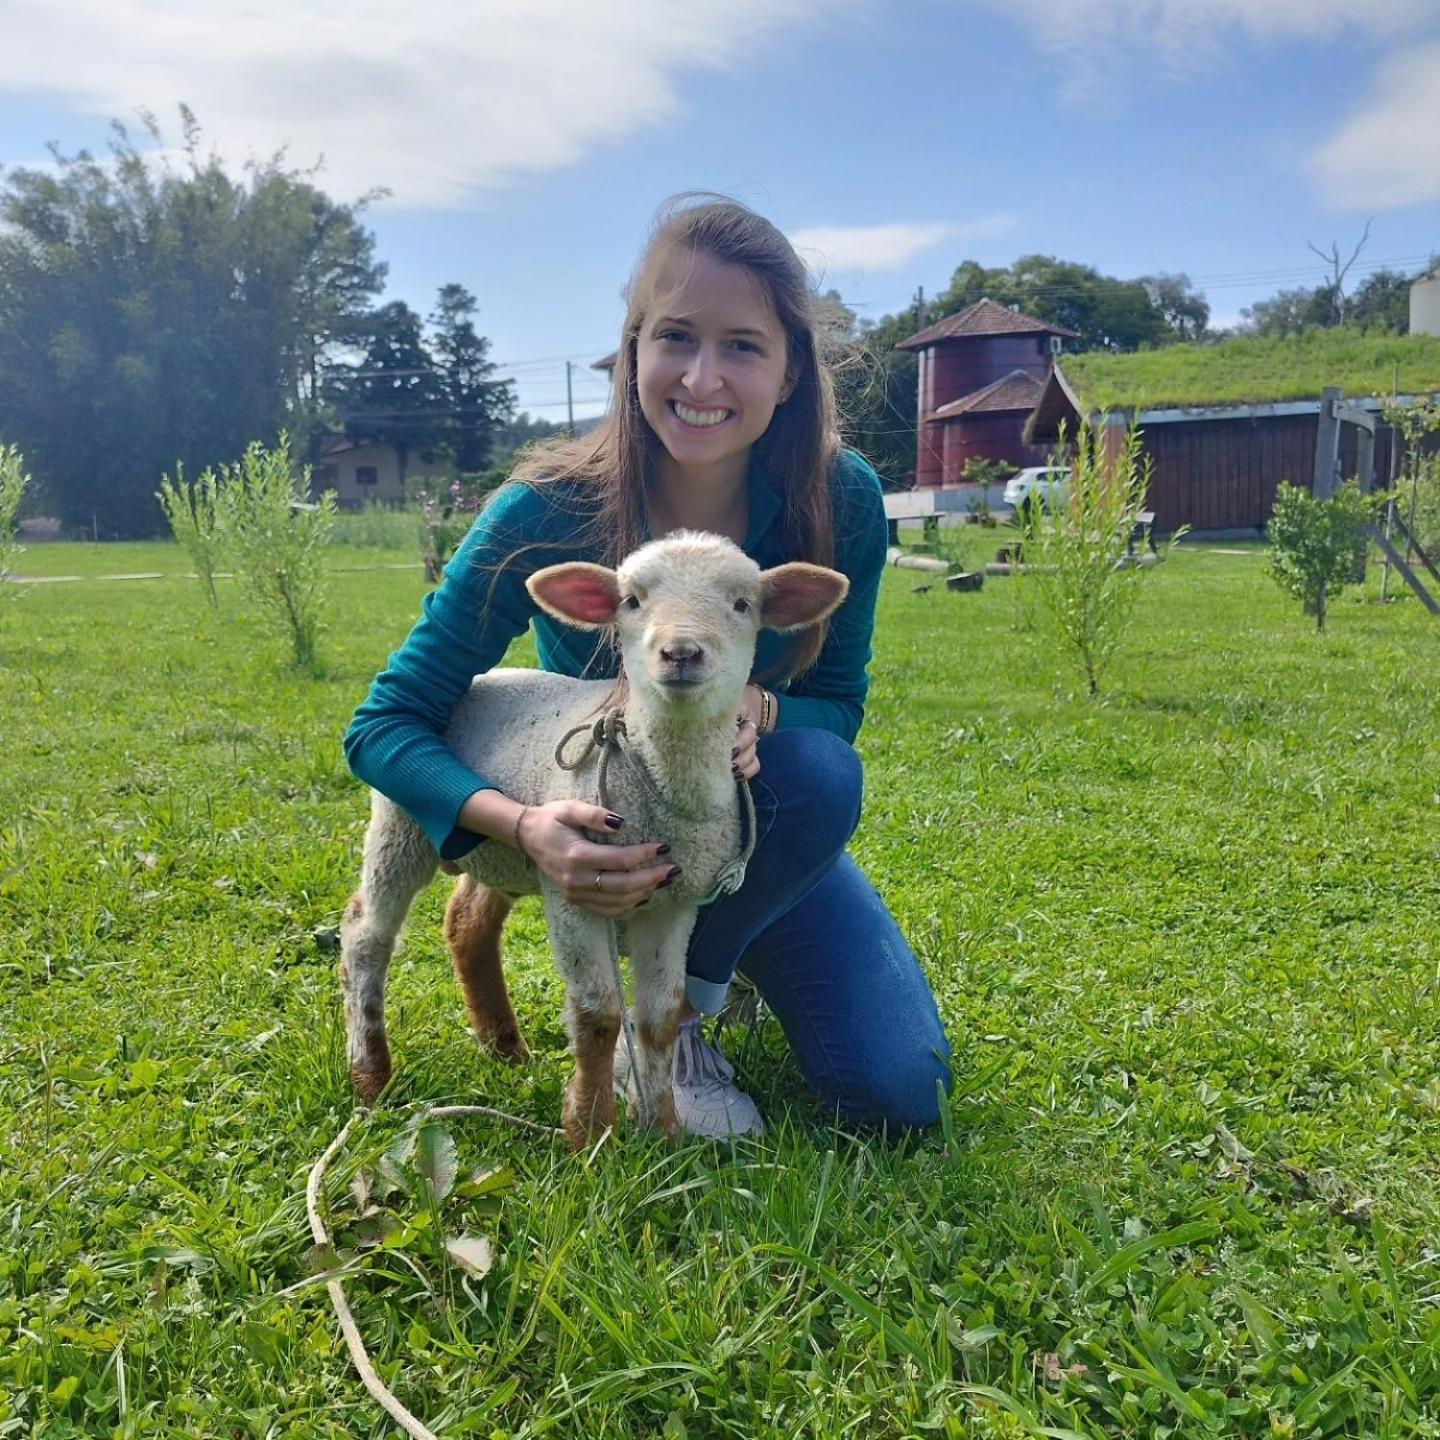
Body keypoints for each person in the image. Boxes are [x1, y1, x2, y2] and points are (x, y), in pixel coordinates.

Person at [344, 196, 951, 1139]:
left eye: (744, 346)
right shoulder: (544, 510)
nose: (703, 377)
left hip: (745, 831)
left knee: (896, 1093)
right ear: (633, 351)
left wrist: (763, 705)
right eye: (675, 337)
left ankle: (690, 1010)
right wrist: (526, 828)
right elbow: (384, 724)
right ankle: (629, 1023)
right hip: (606, 827)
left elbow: (835, 704)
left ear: (792, 372)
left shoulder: (840, 501)